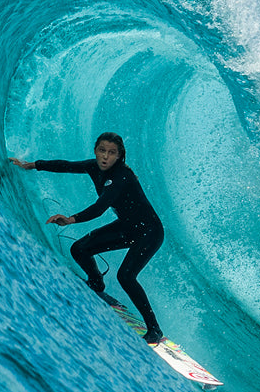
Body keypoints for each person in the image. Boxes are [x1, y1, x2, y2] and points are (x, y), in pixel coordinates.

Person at [10, 132, 165, 344]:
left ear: (119, 156)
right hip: (127, 227)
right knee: (79, 249)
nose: (105, 157)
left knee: (126, 276)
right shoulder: (94, 166)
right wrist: (32, 165)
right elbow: (66, 165)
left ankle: (154, 330)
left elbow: (100, 208)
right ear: (95, 150)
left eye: (111, 153)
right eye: (102, 150)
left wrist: (70, 219)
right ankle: (96, 282)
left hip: (149, 231)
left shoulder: (122, 176)